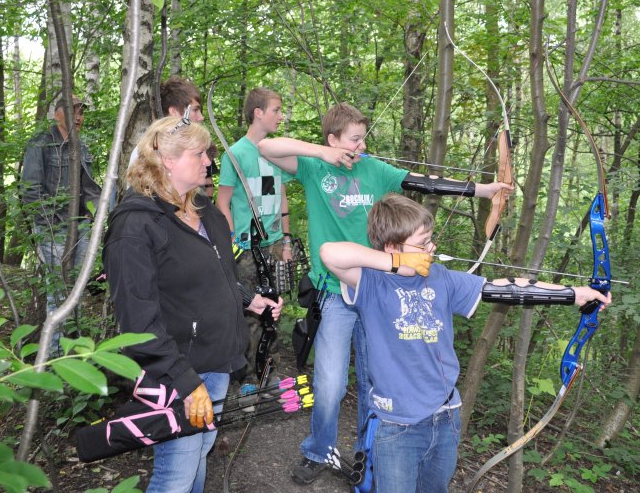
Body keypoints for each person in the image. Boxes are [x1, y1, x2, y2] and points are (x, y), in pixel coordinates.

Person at [257, 102, 512, 485]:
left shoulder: (375, 169)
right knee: (330, 384)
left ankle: (368, 456)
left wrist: (484, 190)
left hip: (384, 291)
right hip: (336, 289)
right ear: (333, 139)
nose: (362, 145)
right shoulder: (314, 167)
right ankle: (318, 449)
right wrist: (322, 153)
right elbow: (267, 148)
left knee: (376, 382)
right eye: (355, 139)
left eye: (364, 137)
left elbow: (424, 182)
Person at [320, 194, 612, 492]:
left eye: (430, 240)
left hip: (445, 418)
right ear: (393, 247)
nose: (431, 248)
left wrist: (573, 293)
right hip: (397, 425)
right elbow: (330, 253)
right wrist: (397, 263)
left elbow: (504, 286)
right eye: (422, 244)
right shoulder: (371, 281)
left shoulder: (440, 277)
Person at [103, 116, 283, 493]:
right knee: (177, 474)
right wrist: (186, 383)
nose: (208, 162)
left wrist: (251, 301)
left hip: (215, 360)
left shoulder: (203, 208)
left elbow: (218, 272)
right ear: (167, 160)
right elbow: (137, 322)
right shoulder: (135, 226)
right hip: (175, 371)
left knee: (200, 451)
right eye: (199, 154)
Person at [216, 88, 293, 372]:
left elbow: (281, 196)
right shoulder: (235, 154)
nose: (280, 116)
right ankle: (247, 376)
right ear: (258, 113)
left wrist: (285, 240)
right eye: (275, 110)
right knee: (251, 311)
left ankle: (269, 369)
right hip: (247, 249)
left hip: (273, 245)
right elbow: (222, 203)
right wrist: (233, 240)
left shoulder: (276, 152)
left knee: (275, 308)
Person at [20, 94, 102, 354]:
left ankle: (71, 352)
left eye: (81, 112)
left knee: (76, 291)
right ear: (57, 114)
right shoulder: (41, 144)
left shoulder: (82, 146)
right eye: (73, 111)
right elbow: (30, 191)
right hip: (53, 229)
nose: (79, 117)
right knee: (57, 295)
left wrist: (92, 217)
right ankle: (52, 357)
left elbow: (90, 186)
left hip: (81, 228)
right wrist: (50, 224)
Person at [128, 76, 205, 168]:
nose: (201, 117)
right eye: (195, 110)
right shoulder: (148, 152)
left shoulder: (195, 148)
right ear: (174, 112)